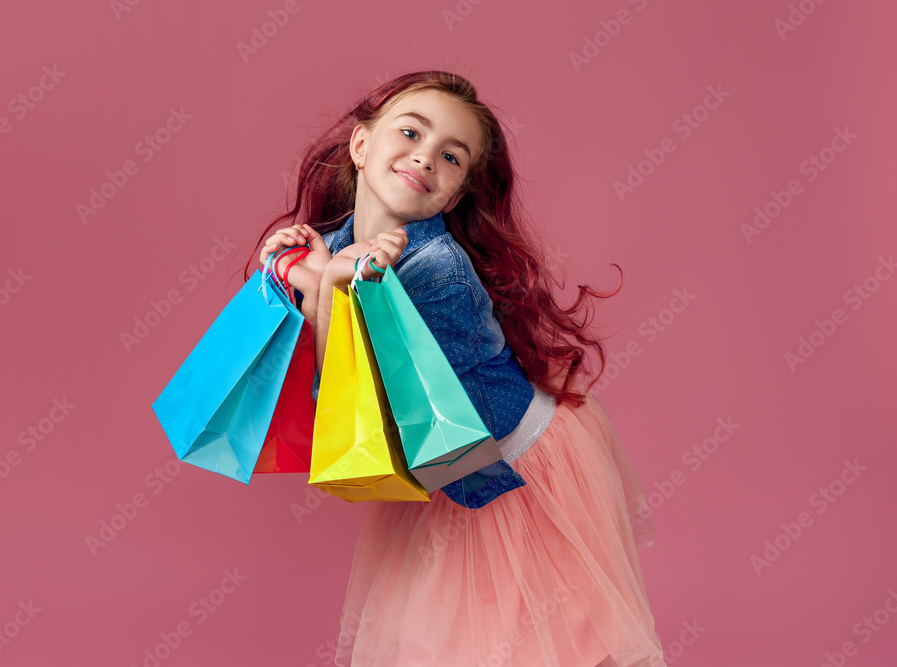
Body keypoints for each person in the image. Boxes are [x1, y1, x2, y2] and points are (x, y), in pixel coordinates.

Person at [248, 70, 667, 667]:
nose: (424, 157)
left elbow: (346, 387)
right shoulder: (338, 241)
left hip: (508, 462)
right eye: (411, 132)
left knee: (529, 640)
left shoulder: (435, 269)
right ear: (361, 146)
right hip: (443, 455)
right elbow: (322, 376)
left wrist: (321, 283)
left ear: (453, 195)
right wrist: (308, 273)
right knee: (442, 637)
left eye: (451, 157)